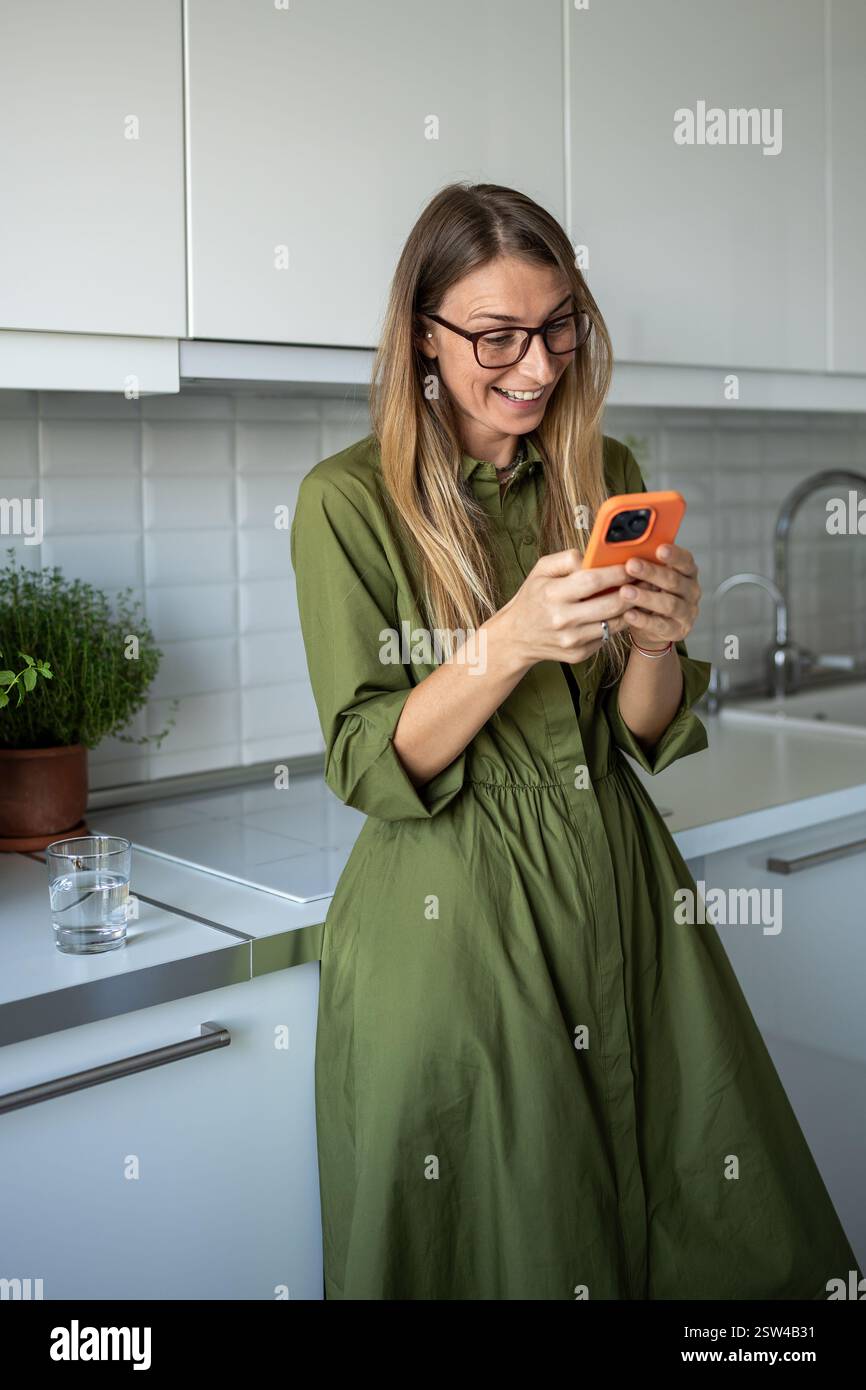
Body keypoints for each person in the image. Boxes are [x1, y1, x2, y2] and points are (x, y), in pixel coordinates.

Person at [290, 182, 860, 1300]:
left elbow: (638, 734)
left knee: (717, 1220)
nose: (538, 365)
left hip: (624, 887)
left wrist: (660, 637)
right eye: (496, 336)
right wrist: (505, 642)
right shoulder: (345, 502)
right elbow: (368, 759)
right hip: (455, 921)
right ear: (422, 335)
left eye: (558, 327)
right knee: (520, 1240)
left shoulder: (605, 471)